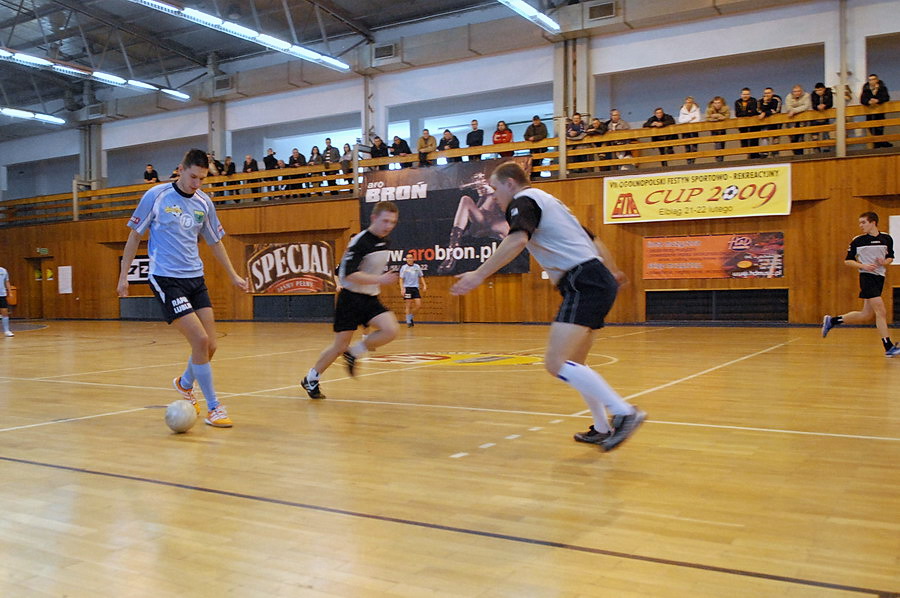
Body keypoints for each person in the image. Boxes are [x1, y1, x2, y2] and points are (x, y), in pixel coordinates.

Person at [451, 161, 645, 451]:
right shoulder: (551, 203)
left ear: (510, 184)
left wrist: (478, 275)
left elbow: (517, 240)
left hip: (583, 281)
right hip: (593, 279)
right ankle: (602, 427)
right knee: (576, 364)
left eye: (496, 189)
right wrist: (612, 270)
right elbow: (594, 240)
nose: (496, 197)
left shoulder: (524, 200)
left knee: (555, 364)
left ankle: (624, 412)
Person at [116, 149, 249, 427]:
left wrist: (234, 275)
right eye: (192, 176)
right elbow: (134, 235)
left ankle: (185, 383)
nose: (196, 183)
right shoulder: (156, 195)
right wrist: (124, 275)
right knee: (199, 341)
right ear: (180, 169)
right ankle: (214, 407)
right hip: (166, 278)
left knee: (210, 345)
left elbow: (214, 241)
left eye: (202, 178)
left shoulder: (204, 203)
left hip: (195, 278)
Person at [301, 202, 401, 399]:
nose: (389, 226)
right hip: (351, 298)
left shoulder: (385, 241)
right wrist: (380, 279)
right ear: (374, 218)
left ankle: (354, 352)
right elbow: (349, 274)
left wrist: (377, 282)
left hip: (370, 298)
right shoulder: (361, 242)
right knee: (339, 346)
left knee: (391, 329)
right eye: (385, 221)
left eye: (393, 222)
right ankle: (311, 378)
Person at [822, 211, 900, 357]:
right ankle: (888, 347)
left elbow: (890, 257)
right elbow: (848, 260)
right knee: (881, 312)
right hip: (867, 277)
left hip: (879, 278)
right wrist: (863, 266)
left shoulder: (886, 238)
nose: (861, 226)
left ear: (873, 223)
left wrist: (885, 262)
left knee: (866, 314)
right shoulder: (858, 240)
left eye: (863, 222)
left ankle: (832, 321)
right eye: (860, 223)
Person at [437, 172, 511, 274]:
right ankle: (452, 253)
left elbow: (506, 205)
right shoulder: (484, 196)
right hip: (482, 222)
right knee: (465, 199)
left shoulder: (500, 190)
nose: (480, 182)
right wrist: (482, 195)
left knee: (512, 238)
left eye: (482, 179)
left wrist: (493, 192)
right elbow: (479, 211)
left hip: (499, 222)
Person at [860, 74, 892, 148]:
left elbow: (886, 97)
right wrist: (868, 101)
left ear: (877, 80)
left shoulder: (882, 88)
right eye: (870, 79)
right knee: (871, 129)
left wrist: (878, 100)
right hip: (870, 113)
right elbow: (862, 99)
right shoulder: (866, 89)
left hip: (879, 112)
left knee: (879, 128)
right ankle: (880, 143)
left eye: (873, 79)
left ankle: (880, 143)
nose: (872, 81)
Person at [398, 253, 427, 327]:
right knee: (408, 305)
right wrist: (402, 289)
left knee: (418, 305)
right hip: (407, 288)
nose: (409, 259)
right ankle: (408, 321)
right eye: (407, 258)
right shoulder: (404, 268)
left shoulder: (417, 267)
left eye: (410, 258)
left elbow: (421, 276)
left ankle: (410, 316)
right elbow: (401, 279)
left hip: (415, 288)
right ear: (406, 259)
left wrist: (424, 285)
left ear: (413, 259)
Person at [784, 85, 812, 156]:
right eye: (795, 91)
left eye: (798, 91)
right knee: (793, 139)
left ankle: (802, 155)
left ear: (801, 91)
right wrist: (795, 110)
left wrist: (795, 110)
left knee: (801, 138)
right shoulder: (788, 97)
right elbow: (788, 107)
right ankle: (796, 154)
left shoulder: (806, 96)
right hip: (792, 121)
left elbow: (806, 106)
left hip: (804, 120)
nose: (797, 93)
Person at [756, 87, 783, 157]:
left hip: (776, 123)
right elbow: (758, 111)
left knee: (775, 138)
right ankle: (764, 153)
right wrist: (765, 103)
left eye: (769, 93)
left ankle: (775, 154)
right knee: (764, 136)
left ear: (772, 93)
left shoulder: (777, 99)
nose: (767, 95)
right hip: (764, 123)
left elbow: (775, 110)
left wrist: (765, 113)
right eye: (765, 93)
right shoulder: (760, 101)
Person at [734, 87, 760, 158]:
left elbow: (753, 112)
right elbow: (737, 114)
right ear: (741, 95)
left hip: (754, 125)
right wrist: (747, 112)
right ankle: (748, 155)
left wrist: (744, 113)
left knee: (754, 140)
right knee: (744, 142)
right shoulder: (737, 102)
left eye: (747, 94)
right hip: (743, 125)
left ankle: (755, 155)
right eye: (744, 94)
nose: (745, 96)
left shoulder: (754, 100)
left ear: (750, 95)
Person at [706, 96, 730, 162]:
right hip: (714, 130)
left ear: (722, 103)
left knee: (722, 145)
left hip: (722, 129)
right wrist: (714, 118)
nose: (717, 104)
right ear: (713, 103)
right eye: (715, 103)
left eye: (718, 103)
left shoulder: (726, 108)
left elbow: (728, 116)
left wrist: (721, 117)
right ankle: (719, 160)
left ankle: (721, 160)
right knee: (717, 145)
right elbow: (707, 118)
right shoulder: (709, 109)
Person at [811, 82, 834, 153]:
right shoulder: (813, 94)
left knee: (826, 133)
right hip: (816, 116)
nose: (819, 92)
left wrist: (825, 105)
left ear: (824, 89)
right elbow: (813, 104)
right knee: (814, 133)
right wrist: (817, 107)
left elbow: (830, 103)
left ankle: (827, 149)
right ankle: (816, 149)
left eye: (820, 90)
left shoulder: (828, 93)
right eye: (817, 90)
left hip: (826, 115)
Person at [678, 96, 701, 164]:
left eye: (690, 102)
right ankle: (688, 162)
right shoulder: (682, 109)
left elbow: (697, 119)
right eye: (687, 102)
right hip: (685, 131)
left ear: (693, 103)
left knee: (694, 148)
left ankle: (693, 162)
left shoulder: (696, 108)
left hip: (694, 130)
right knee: (687, 148)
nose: (689, 104)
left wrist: (687, 120)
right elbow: (680, 120)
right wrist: (690, 118)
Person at [0, 265, 13, 337]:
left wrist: (10, 292)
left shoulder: (3, 270)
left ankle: (7, 330)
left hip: (2, 295)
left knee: (4, 312)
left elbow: (7, 282)